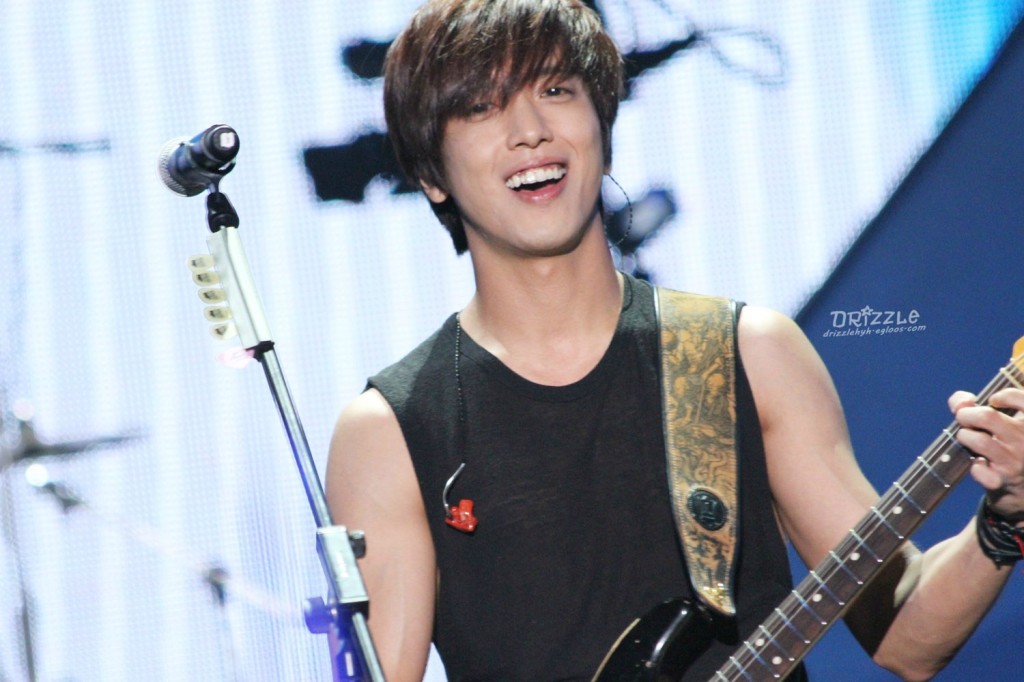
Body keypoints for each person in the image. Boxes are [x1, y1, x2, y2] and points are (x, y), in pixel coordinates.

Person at [324, 1, 1024, 680]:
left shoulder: (748, 354)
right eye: (482, 108)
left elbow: (908, 638)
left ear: (602, 125)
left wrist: (1005, 520)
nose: (530, 130)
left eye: (556, 90)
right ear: (430, 175)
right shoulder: (392, 429)